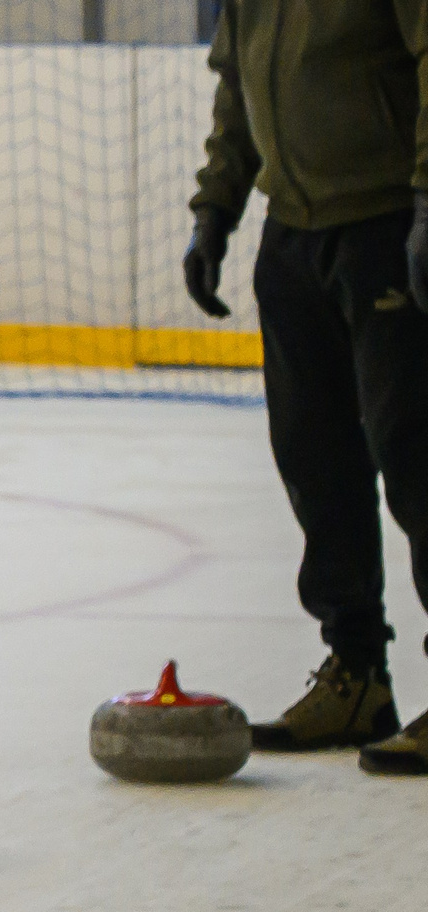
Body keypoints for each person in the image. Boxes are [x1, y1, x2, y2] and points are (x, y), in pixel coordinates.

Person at [186, 0, 428, 769]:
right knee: (314, 460)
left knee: (417, 459)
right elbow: (237, 83)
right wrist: (217, 208)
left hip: (385, 220)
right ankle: (356, 674)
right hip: (292, 234)